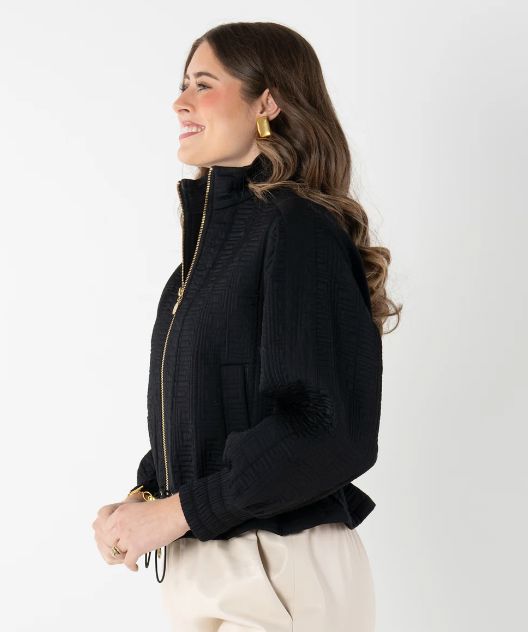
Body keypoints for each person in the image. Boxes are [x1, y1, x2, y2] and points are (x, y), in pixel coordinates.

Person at [92, 21, 401, 632]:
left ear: (268, 102)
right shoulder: (202, 261)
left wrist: (176, 513)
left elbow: (328, 430)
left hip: (278, 567)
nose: (179, 102)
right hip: (202, 569)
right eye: (183, 84)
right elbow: (215, 418)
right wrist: (144, 498)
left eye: (203, 85)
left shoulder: (298, 229)